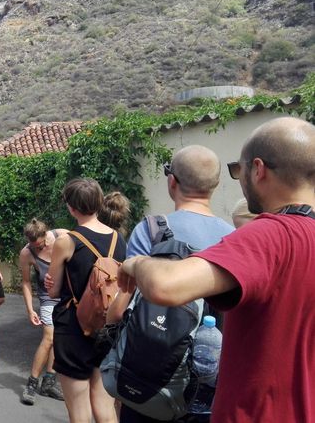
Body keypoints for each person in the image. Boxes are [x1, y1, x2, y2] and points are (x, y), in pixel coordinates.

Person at [118, 117, 315, 423]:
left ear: (258, 170)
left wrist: (135, 263)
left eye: (240, 170)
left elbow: (165, 287)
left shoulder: (271, 235)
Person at [114, 145, 235, 423]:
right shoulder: (232, 238)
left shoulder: (151, 229)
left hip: (149, 378)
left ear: (172, 181)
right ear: (215, 186)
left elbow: (125, 304)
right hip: (207, 380)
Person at [46, 178, 129, 423]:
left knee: (79, 411)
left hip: (74, 329)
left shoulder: (67, 241)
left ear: (71, 208)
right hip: (108, 327)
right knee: (105, 406)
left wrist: (51, 284)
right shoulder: (118, 239)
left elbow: (53, 291)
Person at [18, 218, 69, 405]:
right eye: (35, 246)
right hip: (48, 298)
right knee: (49, 337)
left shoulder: (62, 235)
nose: (39, 248)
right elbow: (25, 282)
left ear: (46, 234)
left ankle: (48, 382)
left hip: (66, 296)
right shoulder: (26, 253)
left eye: (41, 244)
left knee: (58, 339)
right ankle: (32, 383)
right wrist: (30, 309)